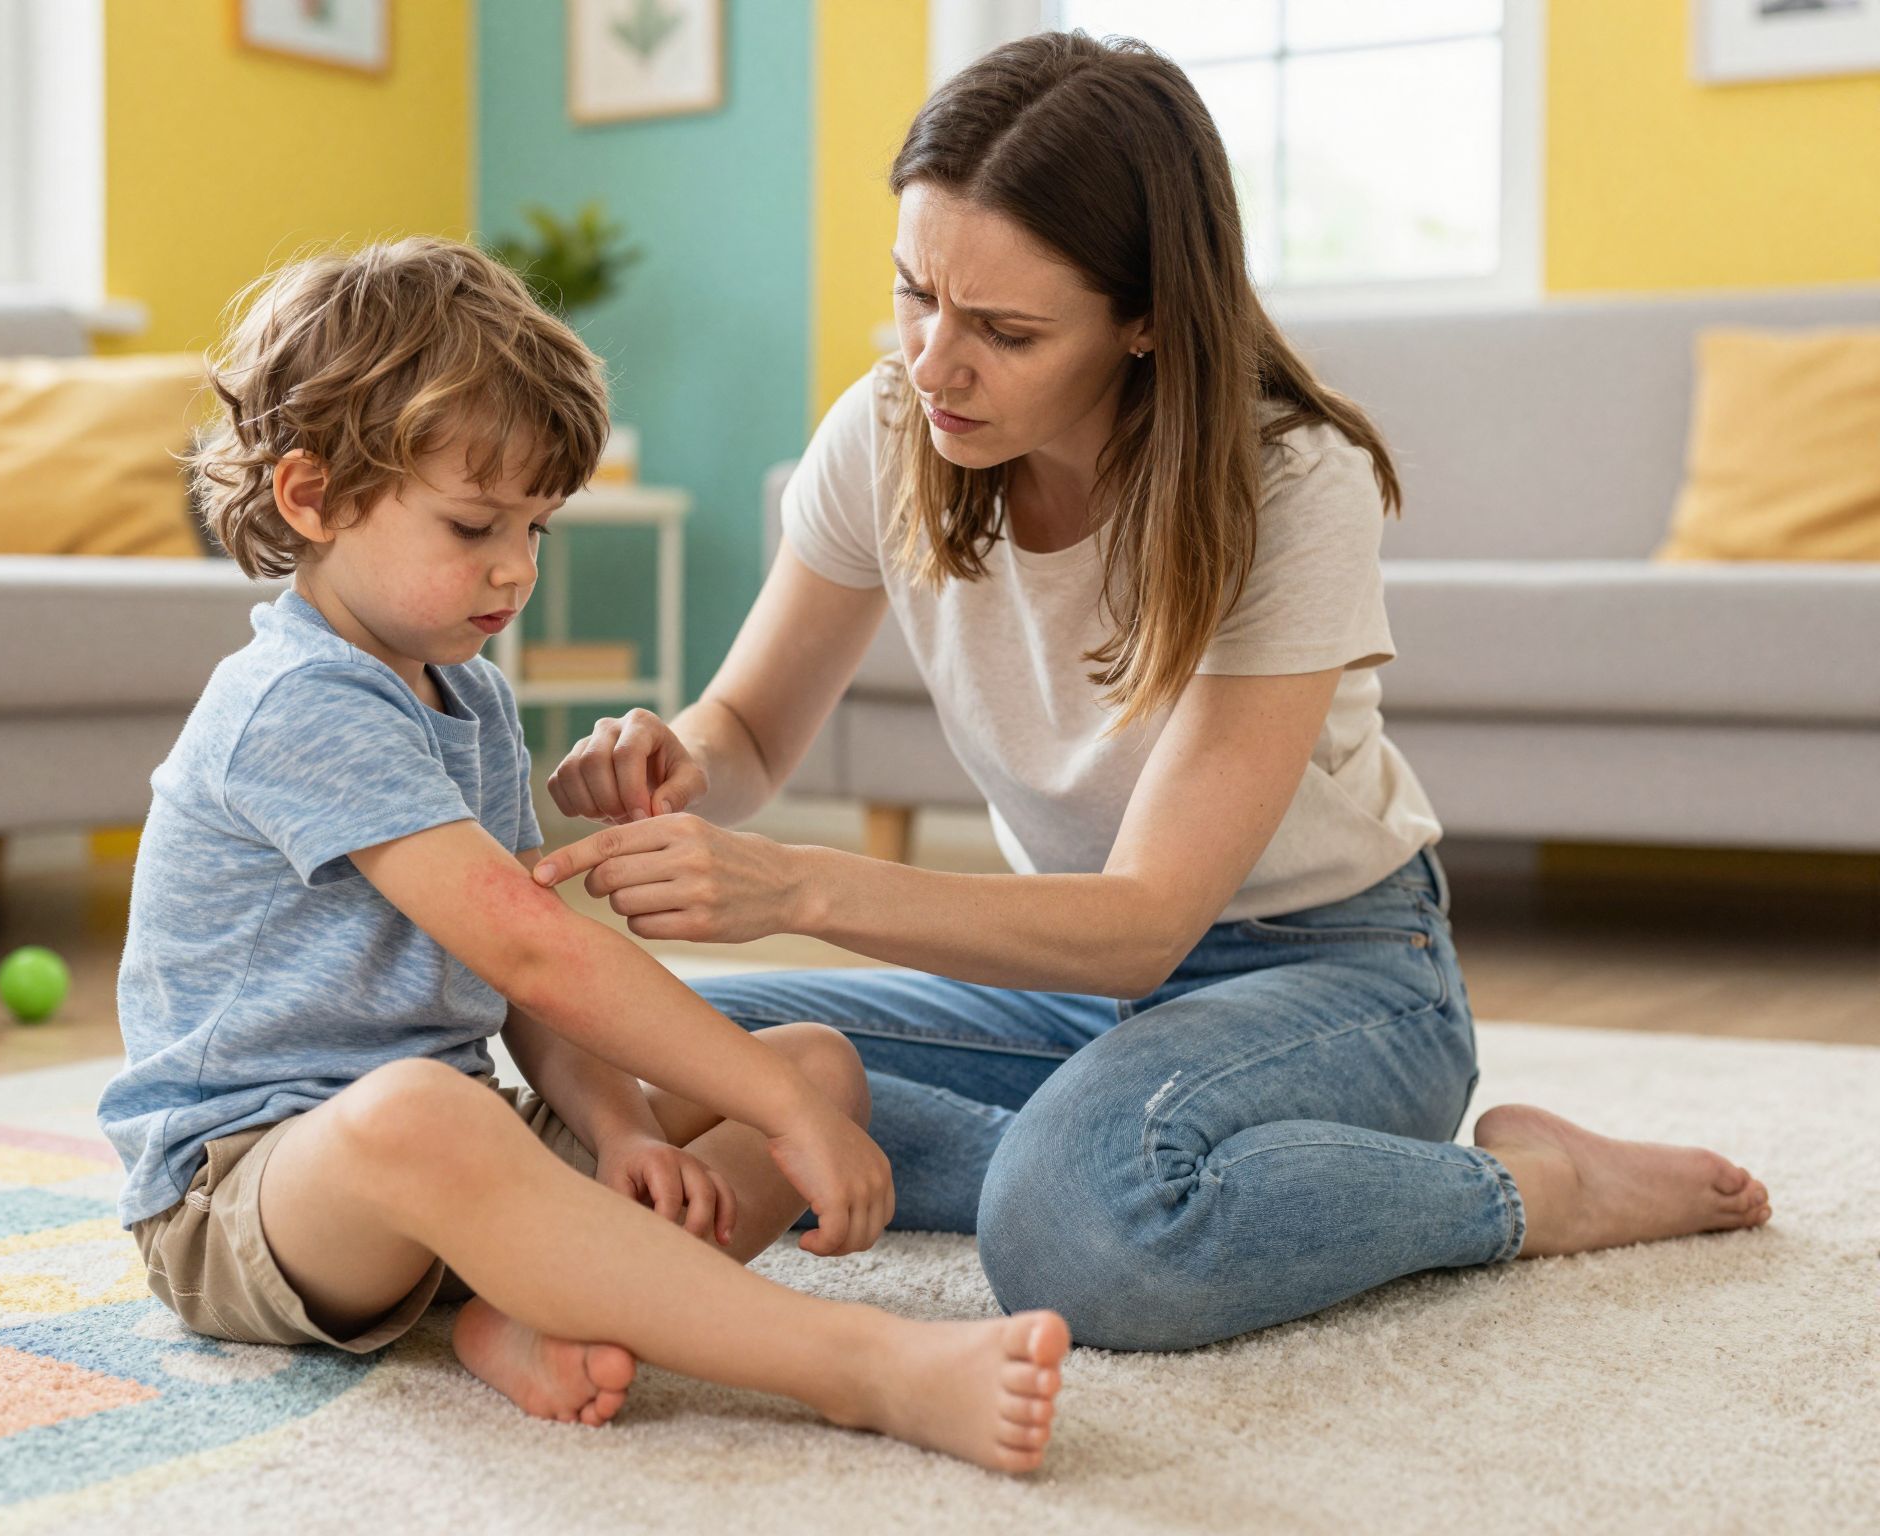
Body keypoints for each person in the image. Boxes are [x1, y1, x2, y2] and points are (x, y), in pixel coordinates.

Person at [533, 33, 1774, 1352]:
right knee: (640, 1039)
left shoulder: (1288, 483)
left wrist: (796, 889)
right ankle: (1110, 1145)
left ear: (1147, 319)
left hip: (1336, 976)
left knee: (1077, 1236)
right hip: (1072, 998)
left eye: (1006, 331)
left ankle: (1527, 1188)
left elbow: (1142, 925)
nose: (935, 363)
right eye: (915, 294)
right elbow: (752, 730)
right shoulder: (892, 430)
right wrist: (674, 759)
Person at [96, 237, 1069, 1473]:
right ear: (310, 497)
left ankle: (529, 1301)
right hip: (256, 1193)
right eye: (472, 524)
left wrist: (618, 1130)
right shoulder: (297, 700)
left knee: (815, 1066)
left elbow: (520, 996)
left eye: (537, 527)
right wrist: (749, 1107)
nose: (515, 568)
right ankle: (860, 1367)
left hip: (464, 1146)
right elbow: (535, 949)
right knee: (428, 1113)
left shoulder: (472, 698)